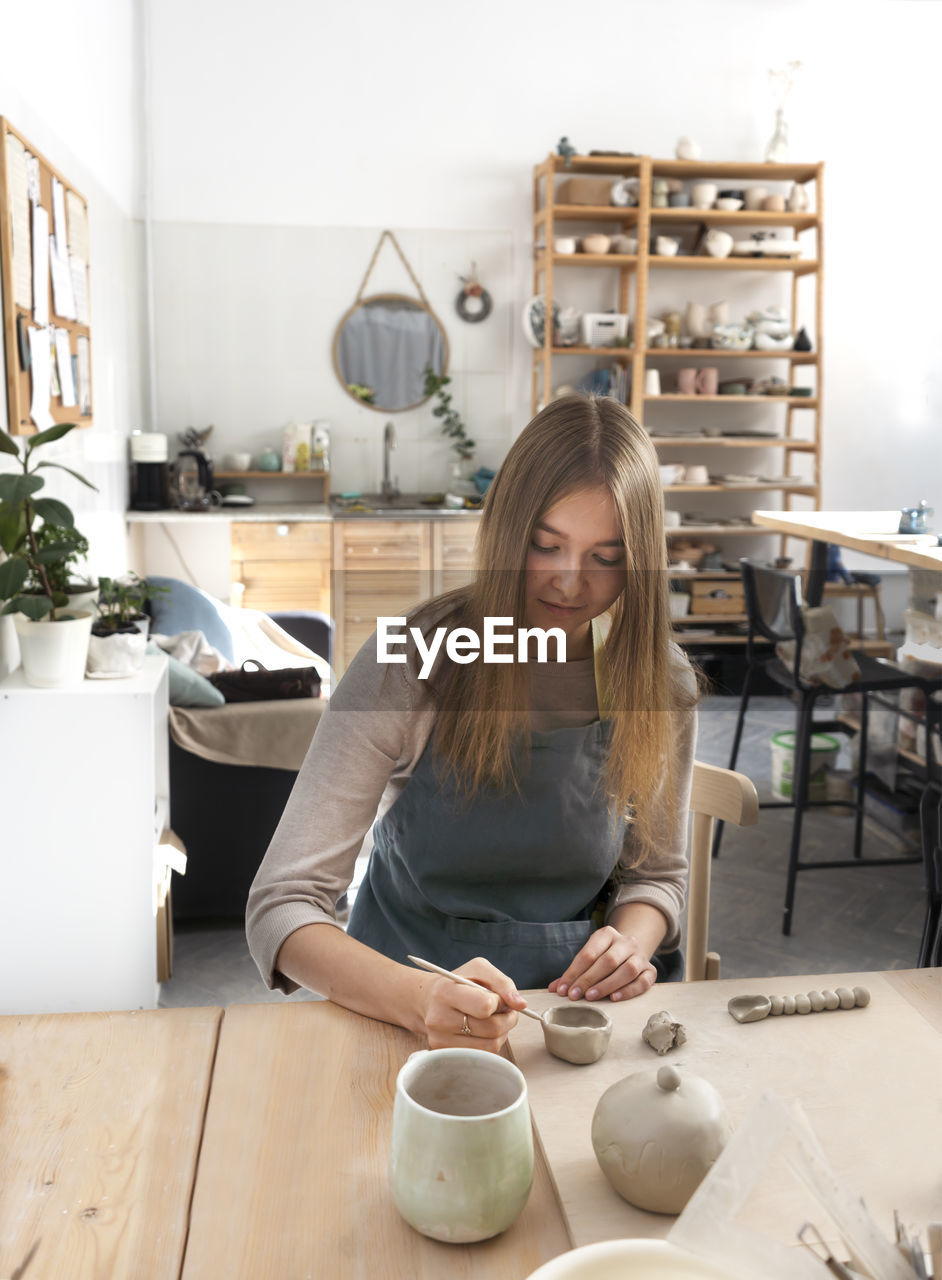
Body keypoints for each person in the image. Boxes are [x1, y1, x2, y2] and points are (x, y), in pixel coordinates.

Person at [246, 395, 698, 1053]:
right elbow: (280, 906)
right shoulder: (410, 664)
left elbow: (658, 876)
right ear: (507, 531)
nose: (570, 583)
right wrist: (416, 1000)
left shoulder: (663, 681)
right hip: (400, 1009)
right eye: (546, 546)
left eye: (606, 557)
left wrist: (629, 944)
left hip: (580, 1022)